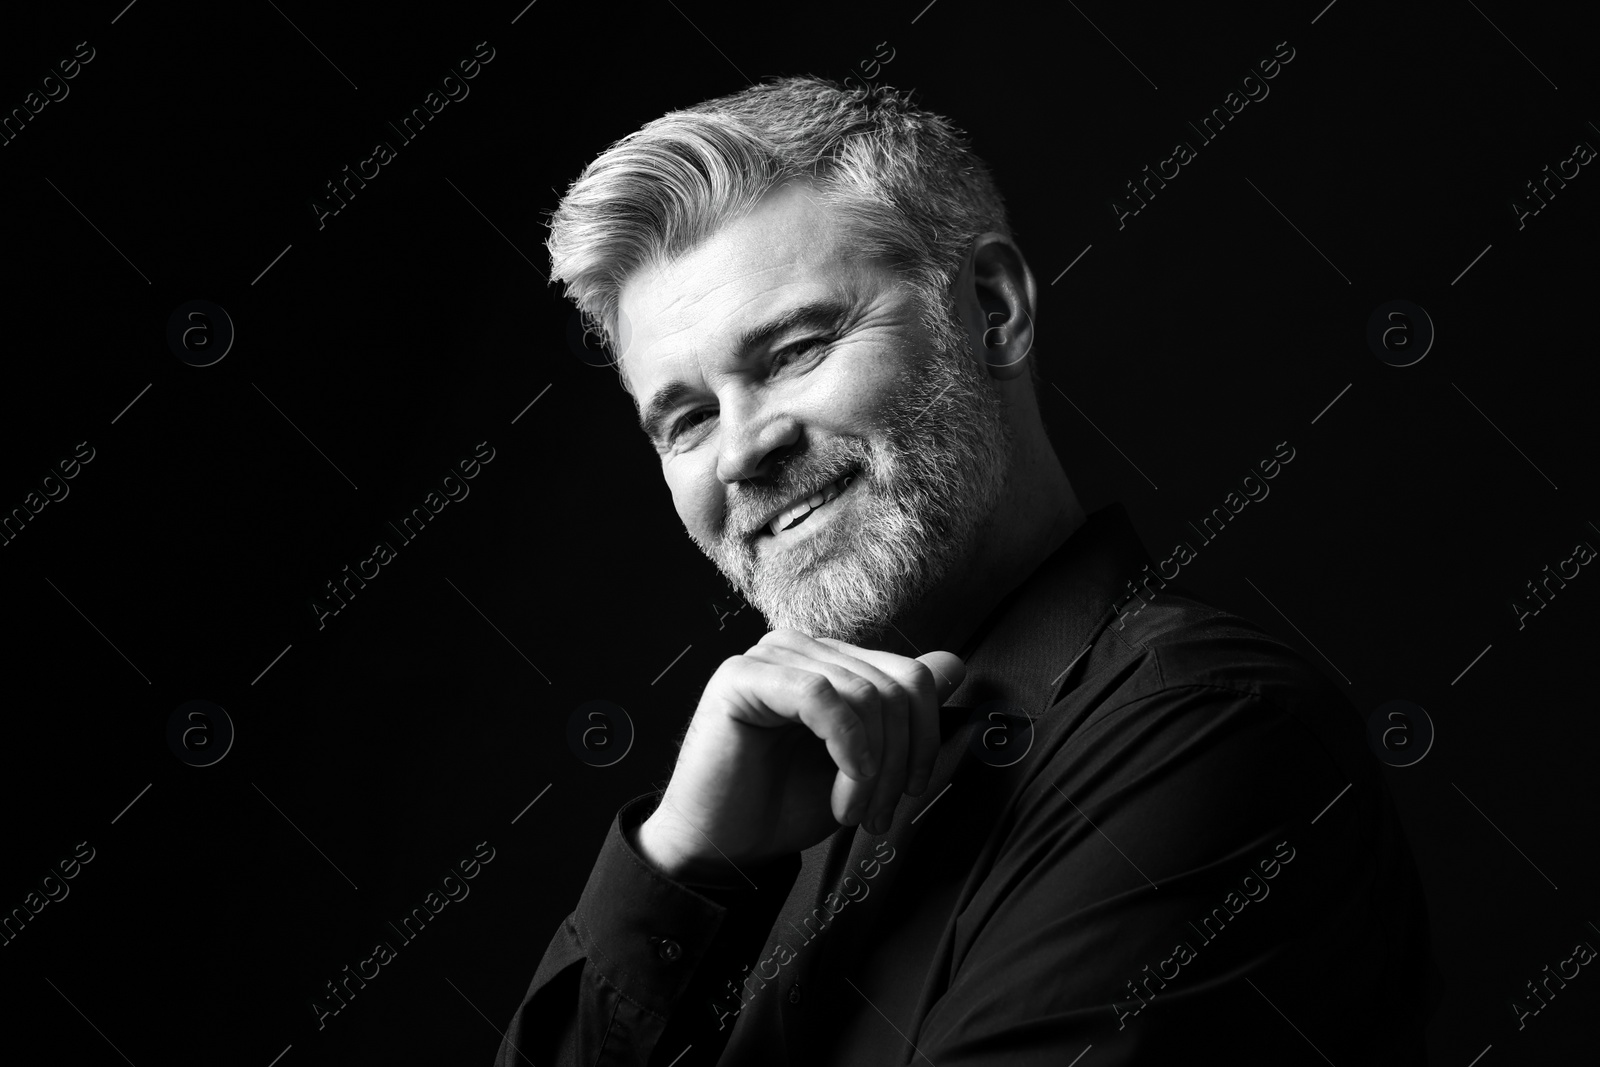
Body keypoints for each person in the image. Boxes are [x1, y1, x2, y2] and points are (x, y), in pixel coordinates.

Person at [494, 75, 1436, 1065]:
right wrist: (680, 861)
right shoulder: (761, 827)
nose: (739, 450)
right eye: (685, 418)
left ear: (990, 310)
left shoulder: (1218, 738)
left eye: (795, 348)